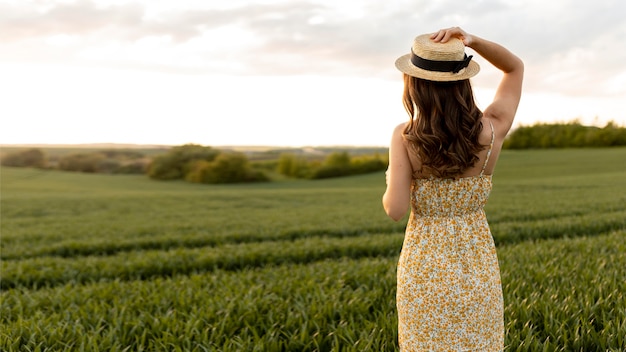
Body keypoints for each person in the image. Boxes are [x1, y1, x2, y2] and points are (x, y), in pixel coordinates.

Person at [382, 27, 524, 351]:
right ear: (463, 82)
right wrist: (471, 41)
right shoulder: (493, 128)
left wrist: (393, 176)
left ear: (414, 85)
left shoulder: (404, 137)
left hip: (424, 271)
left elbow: (395, 209)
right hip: (477, 267)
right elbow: (515, 67)